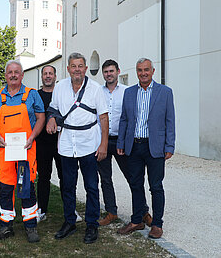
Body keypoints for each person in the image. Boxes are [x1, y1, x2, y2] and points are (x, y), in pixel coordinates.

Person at [46, 52, 109, 244]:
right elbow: (54, 109)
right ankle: (70, 221)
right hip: (66, 144)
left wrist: (104, 144)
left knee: (91, 186)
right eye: (73, 66)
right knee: (68, 186)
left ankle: (92, 224)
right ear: (68, 69)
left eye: (80, 66)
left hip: (89, 142)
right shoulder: (60, 87)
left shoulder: (96, 89)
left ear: (85, 68)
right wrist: (50, 119)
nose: (77, 70)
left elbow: (103, 116)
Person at [0, 60, 45, 243]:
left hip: (27, 149)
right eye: (9, 72)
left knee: (27, 186)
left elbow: (41, 117)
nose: (13, 75)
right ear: (5, 75)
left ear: (22, 74)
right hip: (5, 151)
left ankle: (30, 225)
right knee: (5, 187)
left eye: (16, 72)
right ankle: (6, 226)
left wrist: (32, 137)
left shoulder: (32, 95)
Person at [117, 58, 175, 239]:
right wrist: (121, 143)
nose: (143, 73)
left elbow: (170, 120)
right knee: (135, 184)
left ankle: (157, 224)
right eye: (140, 70)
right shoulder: (129, 93)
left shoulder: (165, 92)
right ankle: (137, 220)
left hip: (155, 146)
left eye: (146, 70)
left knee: (156, 186)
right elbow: (124, 119)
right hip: (134, 146)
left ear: (153, 71)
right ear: (136, 72)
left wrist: (169, 145)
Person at [97, 60, 152, 227]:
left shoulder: (128, 92)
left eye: (111, 71)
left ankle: (143, 212)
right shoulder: (98, 92)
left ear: (118, 71)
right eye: (106, 72)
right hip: (103, 141)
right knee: (105, 178)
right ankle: (111, 212)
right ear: (103, 74)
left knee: (133, 178)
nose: (109, 74)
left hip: (123, 142)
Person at [35, 65, 64, 223]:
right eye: (45, 74)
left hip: (61, 142)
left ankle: (69, 208)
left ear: (55, 76)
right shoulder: (36, 95)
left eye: (50, 74)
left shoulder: (61, 94)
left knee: (65, 177)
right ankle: (42, 209)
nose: (47, 76)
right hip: (42, 143)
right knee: (44, 177)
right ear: (42, 77)